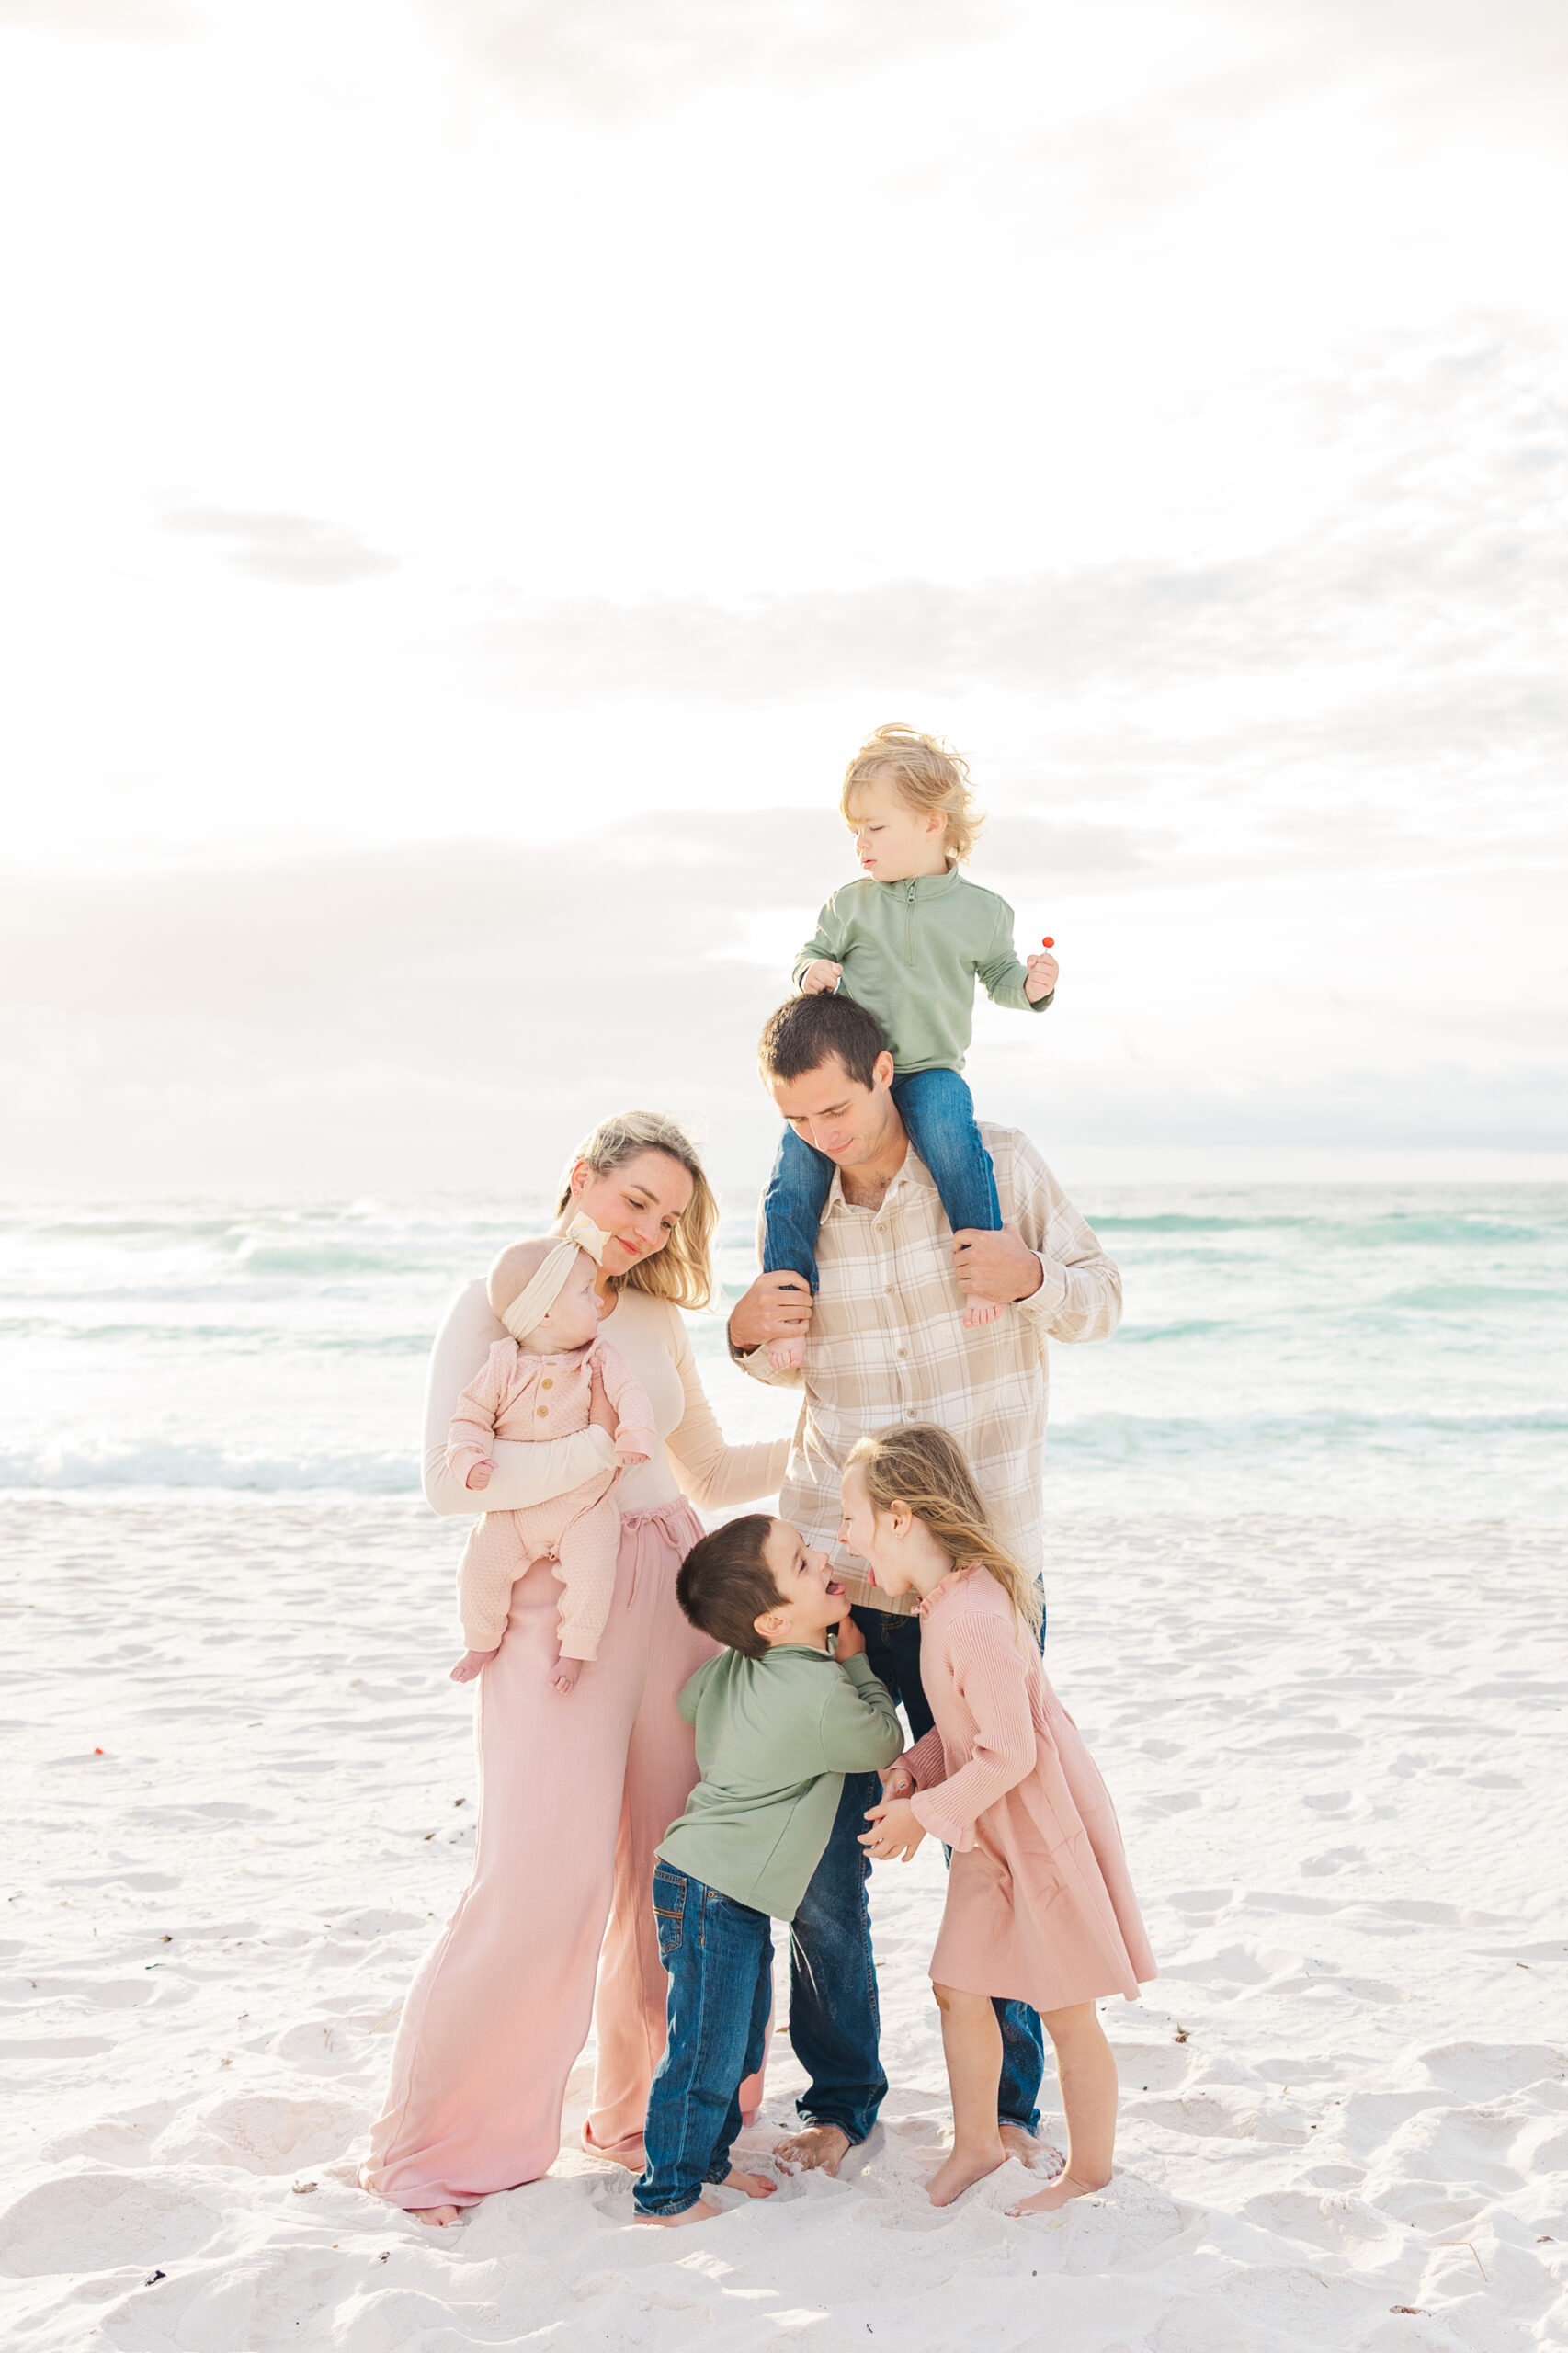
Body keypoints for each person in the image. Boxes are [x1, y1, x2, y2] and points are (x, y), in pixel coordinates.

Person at [362, 1110, 790, 2223]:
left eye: (668, 1217)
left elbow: (704, 1462)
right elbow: (452, 1483)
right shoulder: (496, 1299)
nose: (645, 1230)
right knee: (539, 1874)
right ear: (579, 1179)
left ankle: (656, 2118)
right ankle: (444, 2148)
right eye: (633, 1200)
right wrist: (598, 1452)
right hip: (552, 1603)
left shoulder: (652, 1314)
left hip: (677, 1590)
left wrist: (827, 1436)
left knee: (675, 1872)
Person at [726, 989, 1123, 2181]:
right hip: (833, 1579)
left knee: (990, 1845)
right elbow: (772, 1362)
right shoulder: (799, 1209)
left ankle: (1004, 2110)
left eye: (839, 1106)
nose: (825, 1133)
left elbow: (1101, 1299)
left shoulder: (992, 1168)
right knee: (821, 1843)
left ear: (888, 1070)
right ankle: (842, 2099)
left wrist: (1031, 1275)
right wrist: (743, 1336)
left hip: (974, 1585)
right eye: (799, 1117)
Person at [841, 1425, 1155, 2211]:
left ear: (900, 1517)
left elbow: (1010, 1752)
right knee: (957, 1984)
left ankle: (1088, 2173)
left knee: (1065, 2007)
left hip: (1036, 1833)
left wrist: (924, 1817)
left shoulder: (975, 1615)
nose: (844, 1536)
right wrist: (914, 1770)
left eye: (852, 1517)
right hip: (988, 1835)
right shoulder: (942, 1606)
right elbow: (966, 1727)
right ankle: (978, 2144)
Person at [634, 1513, 903, 2224]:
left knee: (733, 2037)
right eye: (802, 1562)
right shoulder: (818, 1695)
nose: (823, 1559)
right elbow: (883, 1736)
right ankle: (667, 2196)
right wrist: (851, 1661)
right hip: (717, 1893)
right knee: (708, 2052)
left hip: (704, 1882)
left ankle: (708, 2166)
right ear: (776, 1621)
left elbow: (694, 1701)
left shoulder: (735, 1666)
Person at [763, 724, 1058, 1368]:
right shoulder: (850, 905)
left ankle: (980, 1267)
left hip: (928, 1069)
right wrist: (810, 972)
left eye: (875, 828)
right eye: (854, 833)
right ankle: (786, 1304)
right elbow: (813, 953)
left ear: (931, 822)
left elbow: (1002, 979)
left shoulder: (983, 912)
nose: (860, 844)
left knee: (954, 1139)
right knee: (795, 1169)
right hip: (855, 1075)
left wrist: (1032, 988)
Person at [445, 1226, 657, 1695]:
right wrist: (467, 1457)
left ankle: (576, 1650)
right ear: (542, 1314)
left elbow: (630, 1395)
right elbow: (469, 1416)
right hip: (513, 1513)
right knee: (478, 1565)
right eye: (585, 1292)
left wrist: (636, 1433)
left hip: (582, 1507)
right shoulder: (502, 1363)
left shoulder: (599, 1357)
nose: (599, 1301)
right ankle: (480, 1641)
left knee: (593, 1571)